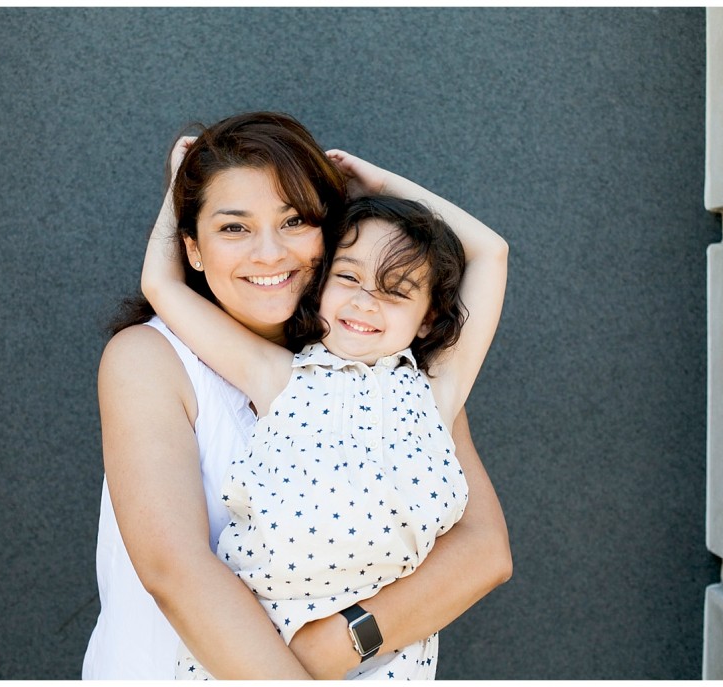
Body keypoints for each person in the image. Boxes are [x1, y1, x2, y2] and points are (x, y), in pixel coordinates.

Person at [82, 112, 512, 680]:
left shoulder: (391, 375)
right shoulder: (154, 360)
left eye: (296, 220)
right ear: (193, 247)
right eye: (233, 228)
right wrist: (177, 187)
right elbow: (176, 571)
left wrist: (344, 641)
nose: (269, 253)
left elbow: (482, 553)